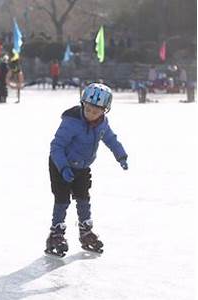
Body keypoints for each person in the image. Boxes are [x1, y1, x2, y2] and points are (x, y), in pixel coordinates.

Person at [45, 83, 128, 257]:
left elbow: (111, 139)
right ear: (83, 104)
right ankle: (56, 233)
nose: (90, 114)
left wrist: (121, 155)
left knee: (83, 198)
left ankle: (85, 231)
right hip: (61, 165)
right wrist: (63, 167)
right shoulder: (71, 122)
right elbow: (56, 147)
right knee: (62, 199)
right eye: (88, 109)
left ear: (104, 111)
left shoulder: (102, 124)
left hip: (82, 167)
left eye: (95, 112)